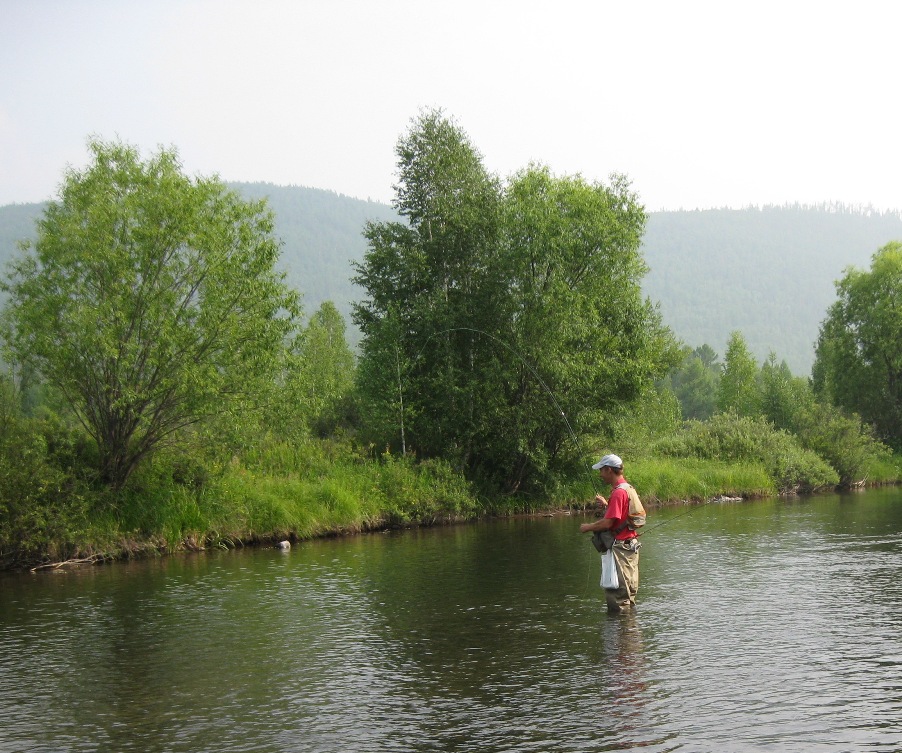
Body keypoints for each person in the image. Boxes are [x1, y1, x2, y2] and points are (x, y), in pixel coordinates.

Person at [579, 453, 642, 613]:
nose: (600, 475)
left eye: (601, 470)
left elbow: (608, 523)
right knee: (629, 594)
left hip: (621, 550)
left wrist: (588, 527)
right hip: (630, 547)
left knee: (618, 597)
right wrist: (607, 505)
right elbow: (622, 516)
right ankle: (629, 633)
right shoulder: (628, 488)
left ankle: (621, 636)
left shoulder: (618, 493)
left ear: (609, 470)